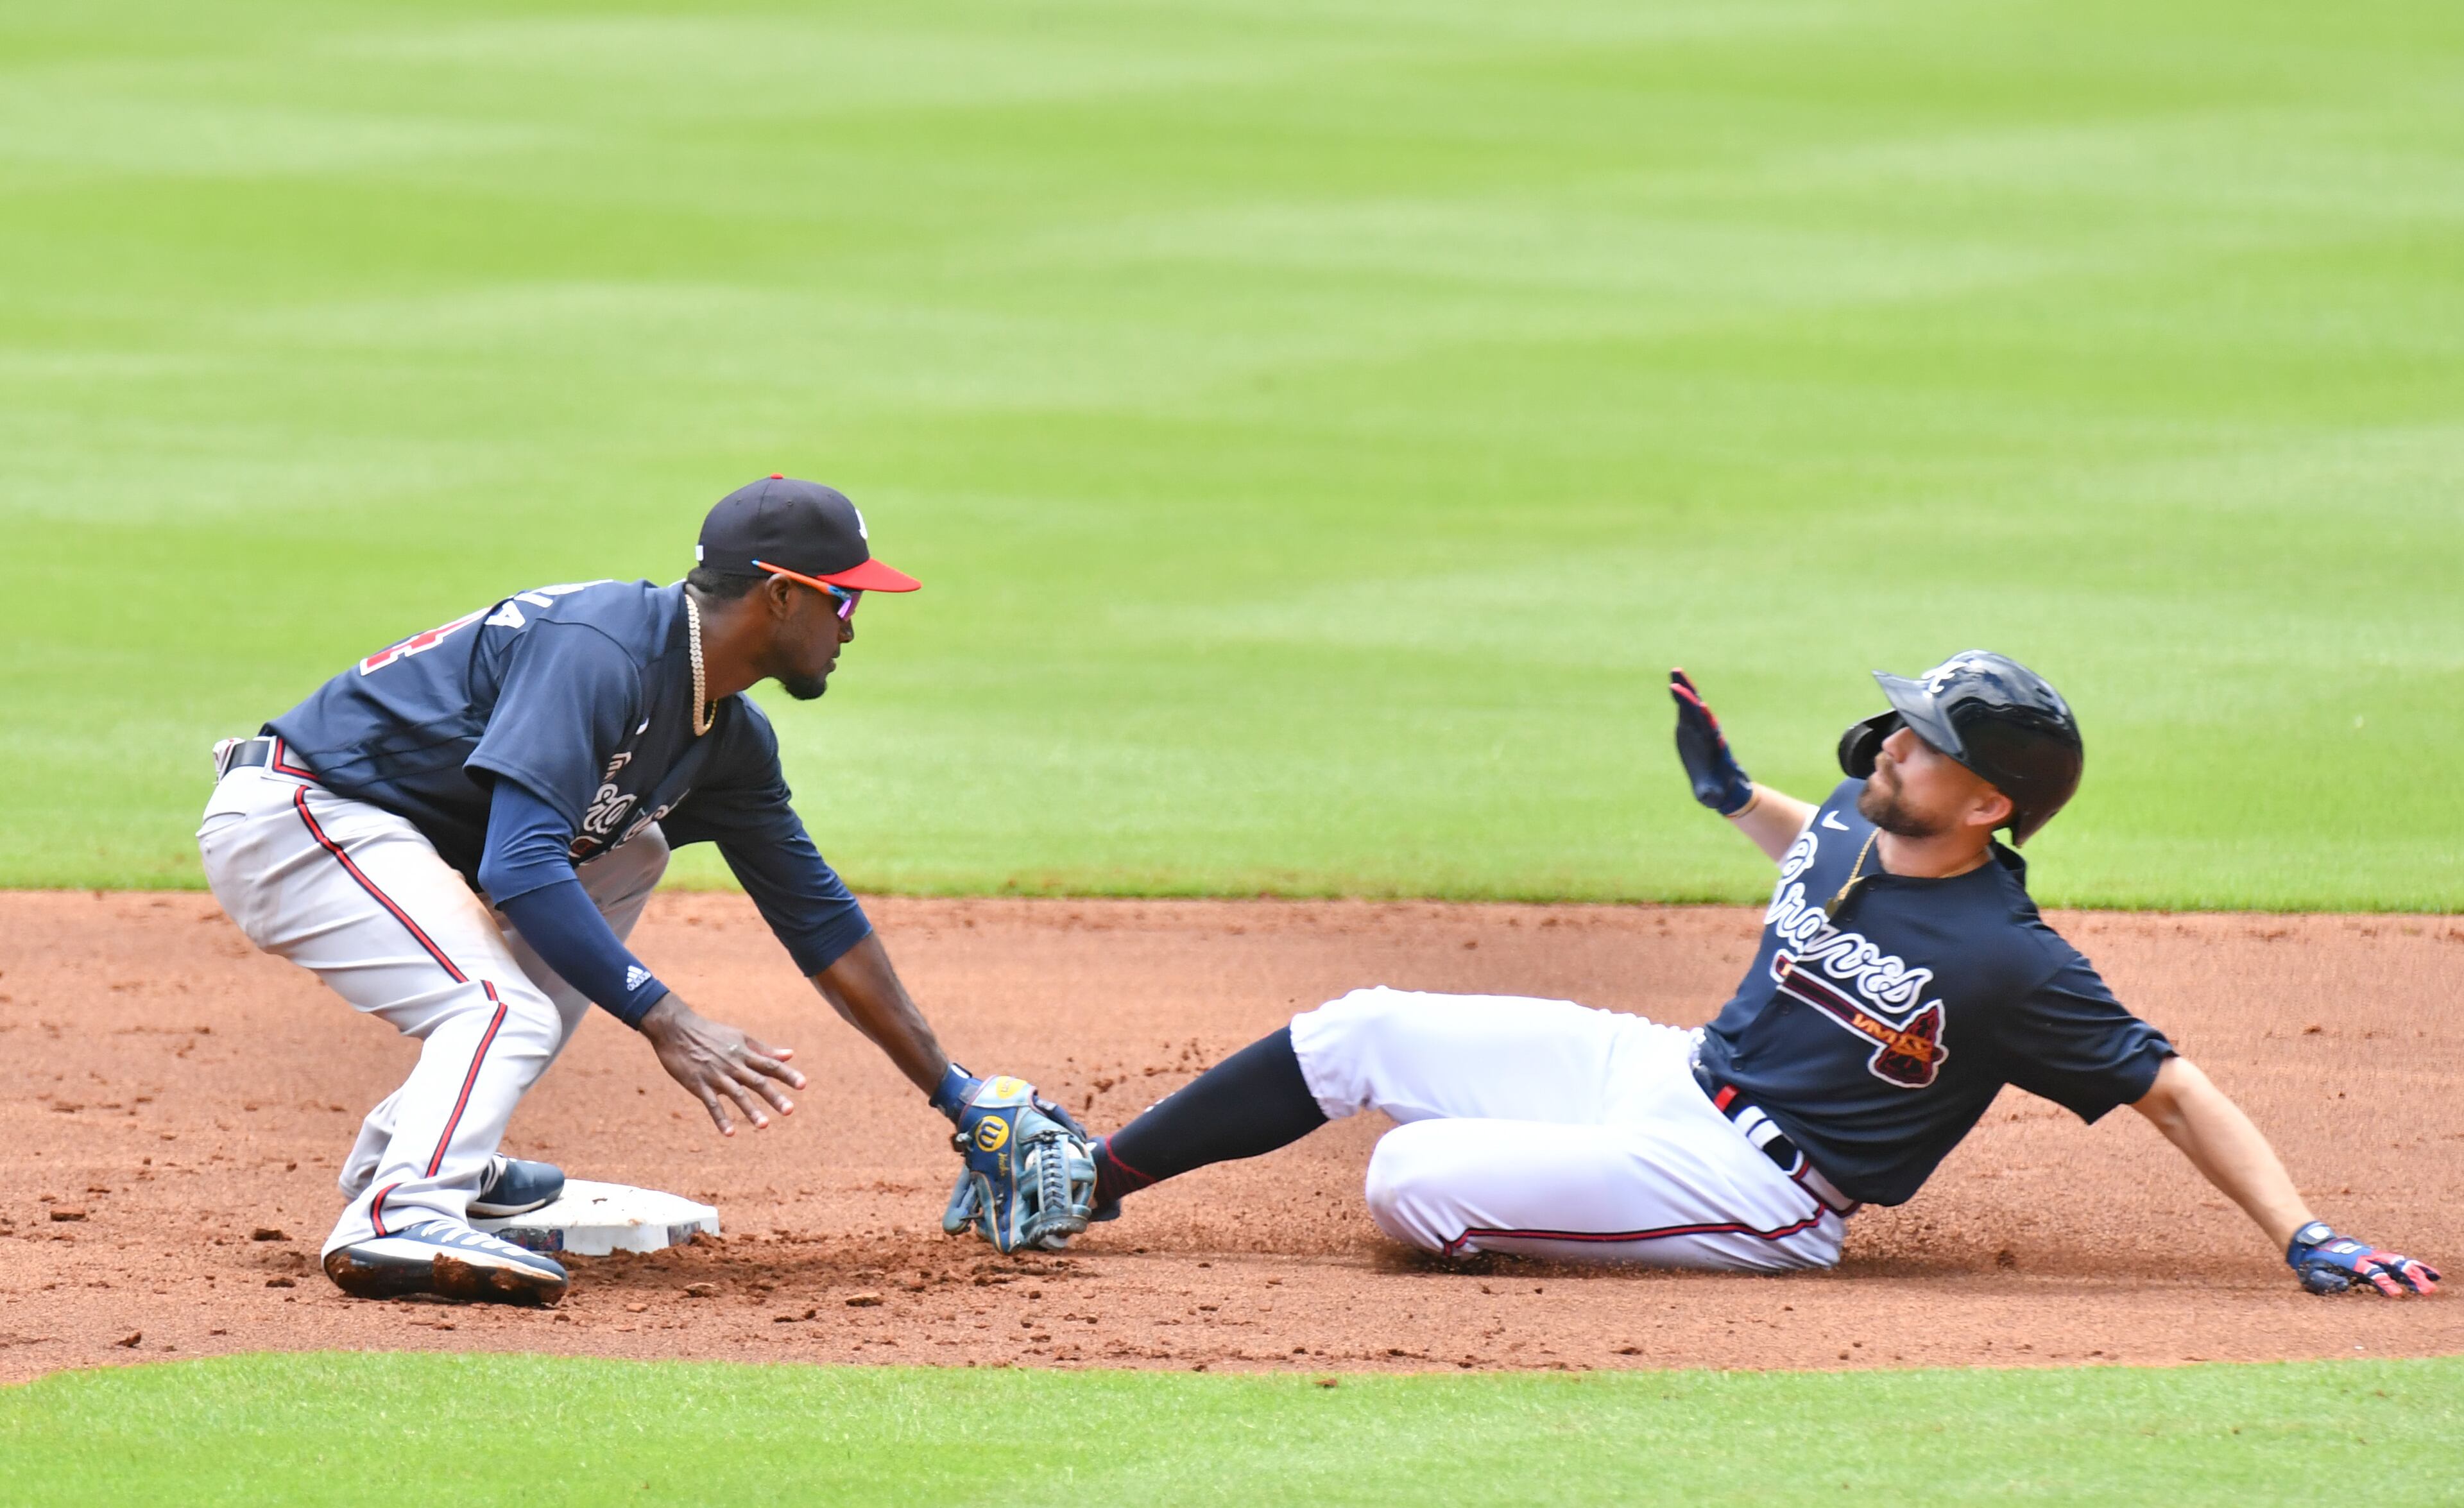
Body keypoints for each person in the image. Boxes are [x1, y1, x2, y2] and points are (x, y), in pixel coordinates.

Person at [1079, 653, 2439, 1298]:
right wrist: (1735, 797)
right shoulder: (1859, 815)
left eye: (1928, 740)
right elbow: (1816, 838)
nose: (1892, 741)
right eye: (1904, 722)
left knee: (1409, 1177)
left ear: (1990, 804)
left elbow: (2173, 1089)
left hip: (1763, 1192)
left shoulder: (2013, 963)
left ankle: (1565, 1195)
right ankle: (1089, 1180)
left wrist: (2302, 1230)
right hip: (1668, 1068)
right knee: (1363, 1028)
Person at [198, 476, 1068, 1305]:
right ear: (780, 595)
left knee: (633, 849)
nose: (852, 628)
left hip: (382, 835)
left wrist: (955, 1093)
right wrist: (668, 1018)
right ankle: (400, 1213)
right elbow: (518, 865)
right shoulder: (601, 649)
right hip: (300, 816)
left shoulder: (726, 737)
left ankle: (421, 1148)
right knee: (503, 1009)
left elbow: (819, 920)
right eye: (844, 601)